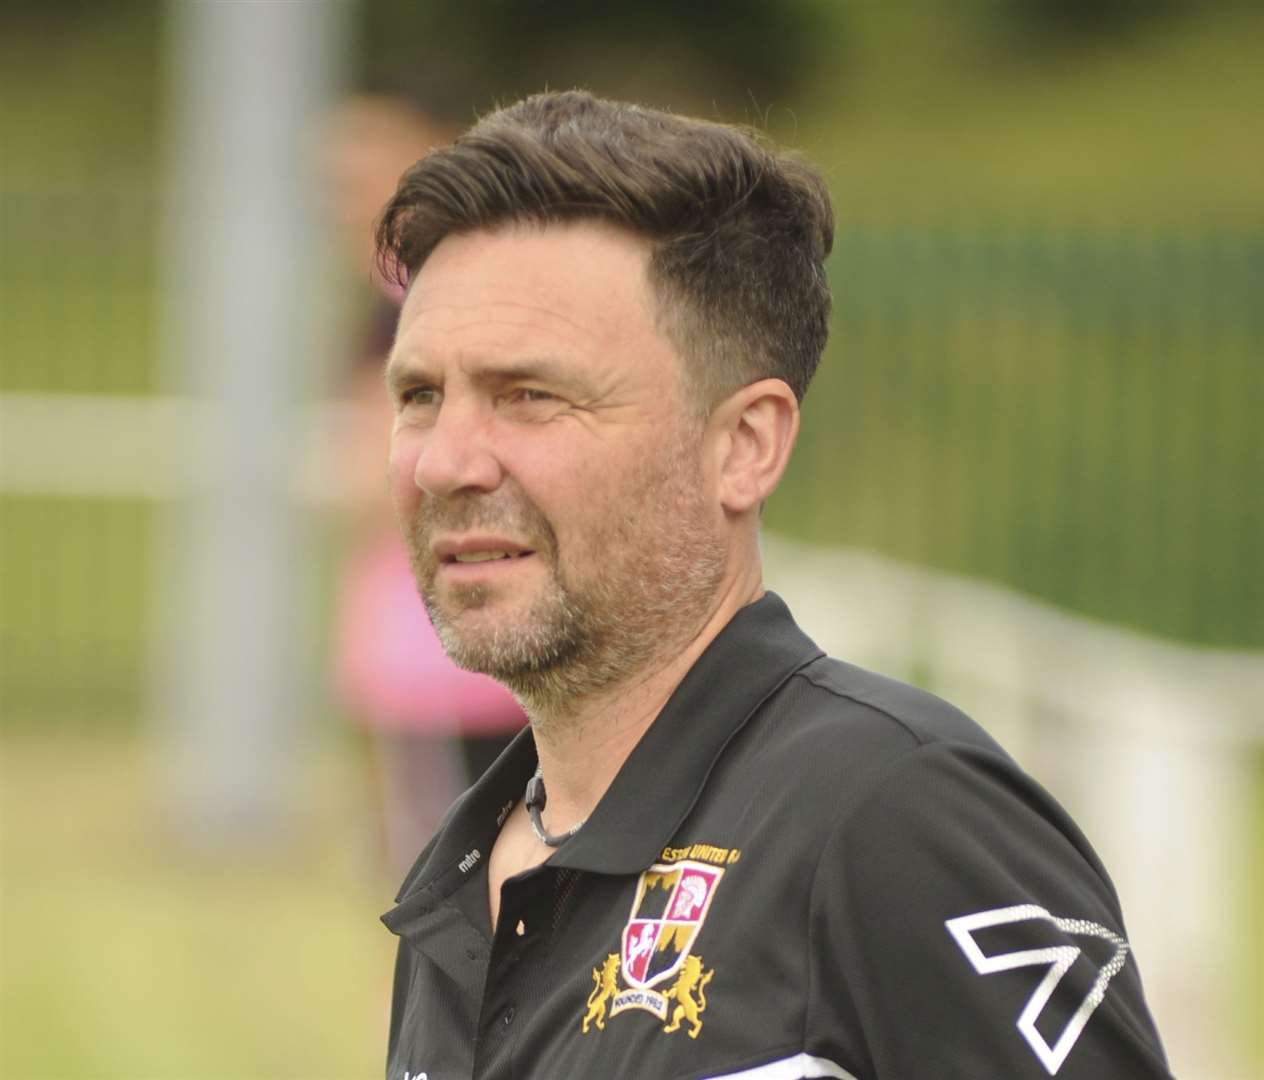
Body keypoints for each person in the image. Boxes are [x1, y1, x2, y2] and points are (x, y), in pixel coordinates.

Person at [375, 90, 1172, 1079]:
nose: (445, 462)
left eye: (529, 396)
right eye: (418, 396)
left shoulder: (890, 817)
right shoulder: (459, 876)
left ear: (742, 445)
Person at [323, 92, 527, 880]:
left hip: (444, 651)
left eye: (370, 169)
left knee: (444, 881)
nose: (348, 199)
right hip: (423, 641)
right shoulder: (392, 305)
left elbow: (377, 481)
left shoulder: (426, 312)